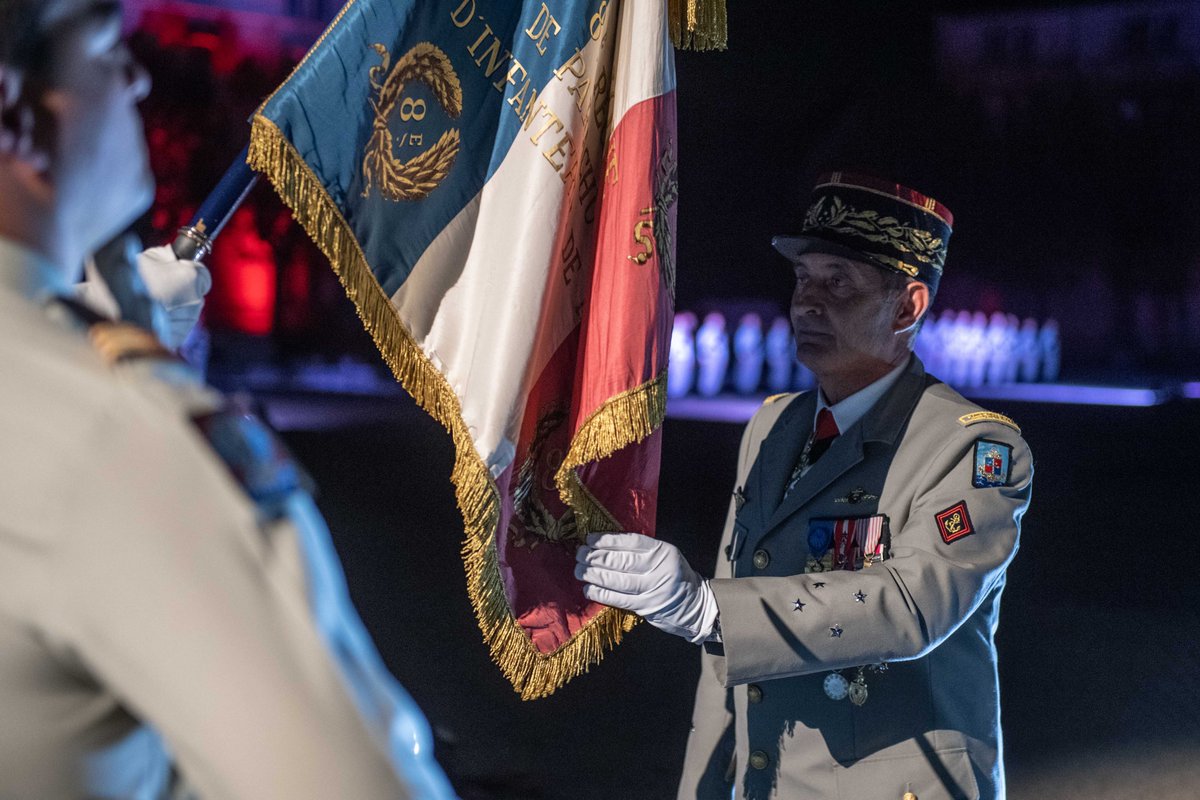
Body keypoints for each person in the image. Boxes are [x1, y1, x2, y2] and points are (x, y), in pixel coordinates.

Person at [0, 1, 457, 797]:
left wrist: (91, 324)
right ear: (15, 113)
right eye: (105, 46)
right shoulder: (116, 440)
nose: (137, 75)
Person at [576, 172, 1033, 800]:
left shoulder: (972, 446)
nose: (806, 302)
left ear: (908, 306)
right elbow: (725, 661)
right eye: (803, 278)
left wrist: (711, 609)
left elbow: (912, 605)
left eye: (838, 282)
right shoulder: (774, 424)